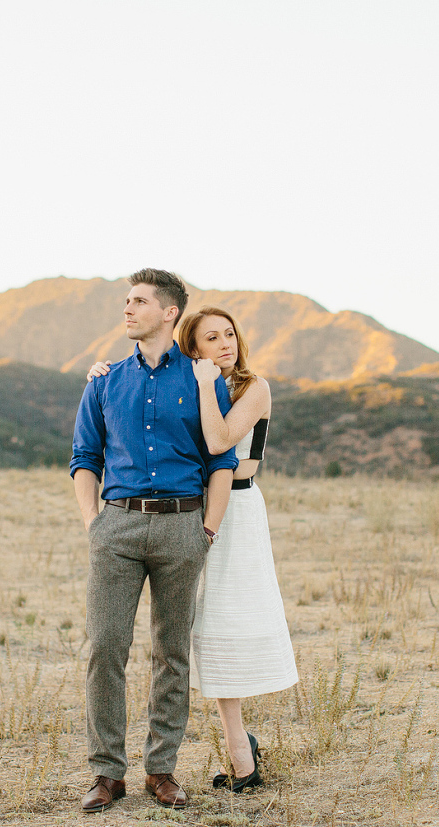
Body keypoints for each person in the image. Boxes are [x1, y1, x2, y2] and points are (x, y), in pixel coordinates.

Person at [89, 304, 297, 793]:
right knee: (194, 634)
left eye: (230, 334)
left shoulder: (251, 387)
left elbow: (222, 441)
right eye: (211, 338)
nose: (226, 344)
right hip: (187, 513)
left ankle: (241, 755)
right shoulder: (186, 380)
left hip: (235, 515)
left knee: (219, 628)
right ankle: (236, 747)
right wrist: (102, 374)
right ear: (192, 347)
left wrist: (205, 385)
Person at [70, 269, 238, 814]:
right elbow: (83, 458)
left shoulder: (201, 378)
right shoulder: (104, 380)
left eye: (138, 301)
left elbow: (222, 460)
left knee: (172, 653)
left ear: (169, 313)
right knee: (105, 649)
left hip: (182, 525)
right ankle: (106, 774)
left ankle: (161, 770)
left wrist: (207, 529)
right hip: (116, 526)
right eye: (126, 301)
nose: (127, 309)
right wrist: (93, 521)